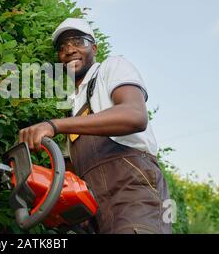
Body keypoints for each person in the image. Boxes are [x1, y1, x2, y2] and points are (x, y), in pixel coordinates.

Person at [18, 18, 172, 234]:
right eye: (62, 47)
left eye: (78, 41)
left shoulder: (112, 67)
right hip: (95, 211)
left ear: (94, 47)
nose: (69, 49)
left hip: (134, 194)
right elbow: (69, 173)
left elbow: (135, 115)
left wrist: (53, 125)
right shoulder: (73, 106)